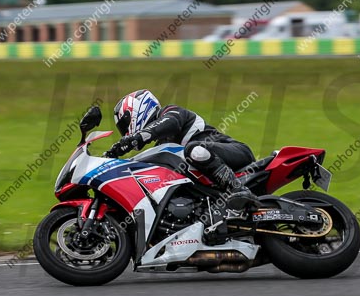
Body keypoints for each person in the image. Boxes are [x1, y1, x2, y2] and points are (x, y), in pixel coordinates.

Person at [106, 89, 258, 210]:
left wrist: (136, 138)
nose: (126, 131)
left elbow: (169, 124)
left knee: (194, 149)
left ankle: (237, 189)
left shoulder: (171, 112)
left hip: (237, 152)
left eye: (125, 124)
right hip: (210, 174)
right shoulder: (161, 145)